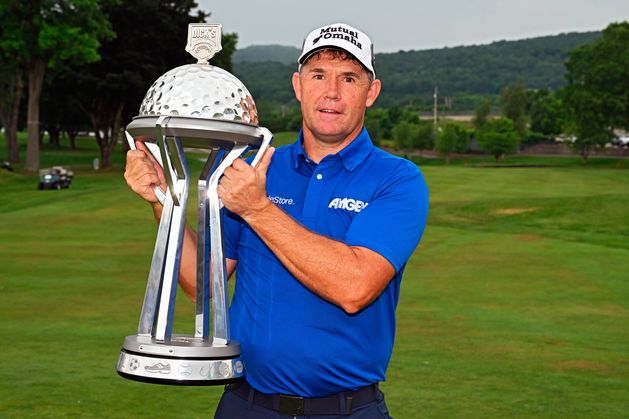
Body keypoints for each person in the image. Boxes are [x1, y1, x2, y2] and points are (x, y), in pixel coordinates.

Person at [125, 22, 429, 419]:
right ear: (298, 85)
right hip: (245, 403)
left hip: (345, 409)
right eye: (318, 75)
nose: (331, 92)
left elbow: (354, 287)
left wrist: (259, 209)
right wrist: (163, 200)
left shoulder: (397, 179)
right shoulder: (257, 167)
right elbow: (201, 282)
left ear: (370, 92)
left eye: (349, 78)